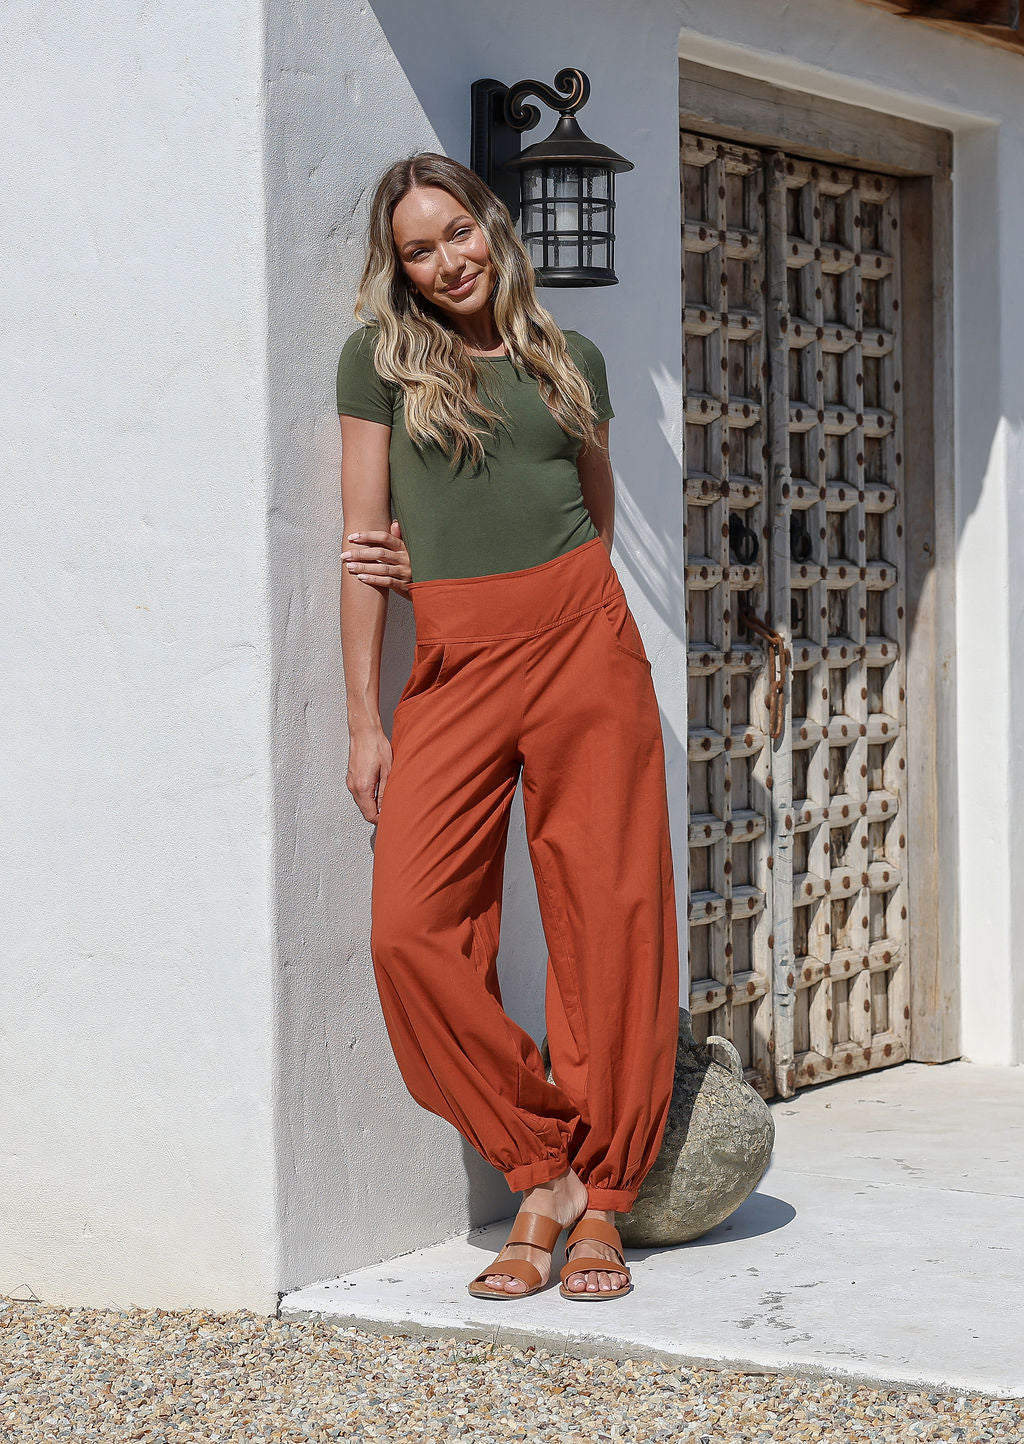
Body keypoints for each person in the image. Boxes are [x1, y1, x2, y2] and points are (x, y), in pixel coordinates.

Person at [336, 152, 679, 1301]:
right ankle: (544, 1161)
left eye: (456, 234)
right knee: (409, 931)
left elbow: (595, 507)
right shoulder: (380, 362)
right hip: (455, 657)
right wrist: (364, 719)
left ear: (491, 224)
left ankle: (602, 1197)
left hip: (584, 644)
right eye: (418, 251)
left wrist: (577, 614)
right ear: (401, 269)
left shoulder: (570, 360)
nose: (445, 262)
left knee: (609, 915)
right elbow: (362, 547)